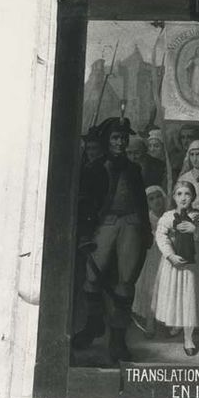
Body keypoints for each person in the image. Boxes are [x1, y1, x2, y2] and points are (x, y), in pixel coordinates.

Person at [74, 116, 152, 361]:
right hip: (104, 224)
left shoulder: (134, 169)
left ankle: (118, 341)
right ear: (108, 141)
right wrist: (86, 233)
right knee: (91, 277)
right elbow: (85, 204)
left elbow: (141, 203)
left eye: (124, 138)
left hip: (131, 224)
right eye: (116, 138)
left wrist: (147, 230)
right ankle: (94, 324)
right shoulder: (95, 169)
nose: (121, 142)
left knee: (126, 281)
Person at [151, 181, 199, 355]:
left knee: (189, 298)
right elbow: (161, 236)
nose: (183, 198)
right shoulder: (167, 216)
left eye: (187, 194)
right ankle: (176, 324)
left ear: (193, 197)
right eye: (179, 194)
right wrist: (170, 255)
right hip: (173, 263)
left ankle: (188, 338)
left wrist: (195, 230)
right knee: (174, 295)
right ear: (174, 197)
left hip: (193, 264)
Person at [132, 185, 167, 338]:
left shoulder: (170, 215)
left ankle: (167, 320)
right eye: (151, 199)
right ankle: (150, 321)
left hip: (168, 255)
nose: (156, 201)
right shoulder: (147, 218)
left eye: (158, 197)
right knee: (152, 287)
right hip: (153, 255)